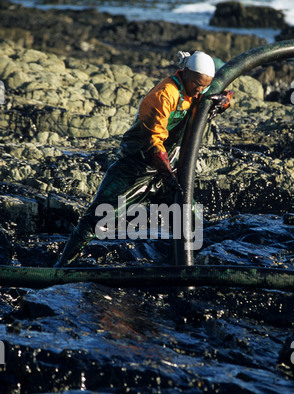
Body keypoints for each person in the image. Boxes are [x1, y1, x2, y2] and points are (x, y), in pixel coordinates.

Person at [54, 50, 229, 268]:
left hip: (168, 168)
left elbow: (225, 91)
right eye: (197, 84)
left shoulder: (196, 88)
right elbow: (153, 142)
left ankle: (182, 267)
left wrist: (224, 101)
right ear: (185, 73)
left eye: (205, 86)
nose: (200, 90)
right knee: (98, 217)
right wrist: (167, 174)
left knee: (188, 218)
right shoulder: (165, 95)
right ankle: (62, 267)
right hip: (137, 166)